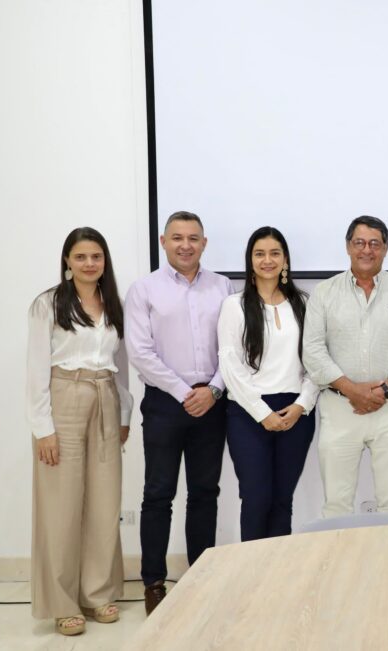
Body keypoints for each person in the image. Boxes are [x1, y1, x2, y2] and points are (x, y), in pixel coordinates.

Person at [124, 211, 233, 615]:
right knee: (158, 494)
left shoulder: (223, 286)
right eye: (177, 238)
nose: (185, 245)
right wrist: (186, 392)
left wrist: (214, 389)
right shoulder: (144, 289)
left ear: (204, 243)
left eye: (193, 238)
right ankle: (153, 582)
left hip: (213, 402)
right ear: (163, 241)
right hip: (165, 403)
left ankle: (200, 579)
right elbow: (140, 352)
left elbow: (234, 348)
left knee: (205, 494)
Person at [26, 227, 133, 636]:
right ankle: (62, 603)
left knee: (105, 503)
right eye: (81, 256)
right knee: (61, 506)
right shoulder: (48, 304)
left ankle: (97, 593)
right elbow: (36, 368)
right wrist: (43, 429)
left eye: (96, 256)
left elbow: (121, 365)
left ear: (105, 262)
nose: (90, 263)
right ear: (67, 261)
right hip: (64, 399)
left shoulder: (113, 305)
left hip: (106, 399)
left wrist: (124, 414)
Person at [302, 215, 388, 516]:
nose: (367, 250)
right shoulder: (324, 292)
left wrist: (385, 390)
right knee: (336, 504)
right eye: (359, 243)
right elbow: (313, 350)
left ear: (385, 248)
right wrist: (352, 390)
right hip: (339, 408)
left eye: (374, 243)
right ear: (348, 246)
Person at [218, 227, 318, 539]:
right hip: (248, 412)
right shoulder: (234, 305)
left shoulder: (304, 303)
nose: (267, 260)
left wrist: (302, 404)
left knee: (282, 500)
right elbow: (230, 364)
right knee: (256, 498)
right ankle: (251, 568)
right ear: (250, 260)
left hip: (295, 412)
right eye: (259, 253)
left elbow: (317, 360)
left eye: (275, 253)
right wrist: (263, 413)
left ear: (285, 259)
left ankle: (280, 568)